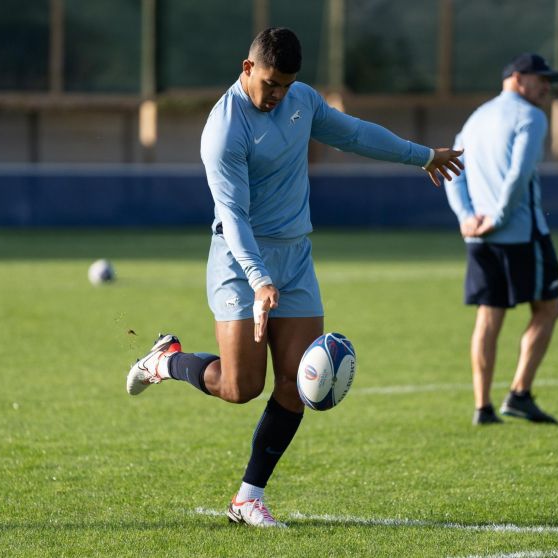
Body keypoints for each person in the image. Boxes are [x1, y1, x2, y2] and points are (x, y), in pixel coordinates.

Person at [125, 27, 463, 528]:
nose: (278, 95)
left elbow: (354, 134)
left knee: (295, 381)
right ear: (248, 68)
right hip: (239, 262)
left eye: (286, 85)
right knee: (241, 386)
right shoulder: (224, 130)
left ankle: (248, 497)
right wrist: (259, 280)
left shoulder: (301, 99)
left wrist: (422, 155)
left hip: (296, 257)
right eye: (271, 84)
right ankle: (166, 361)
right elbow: (233, 217)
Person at [444, 53, 558, 427]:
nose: (547, 87)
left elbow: (453, 169)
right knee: (548, 309)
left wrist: (466, 217)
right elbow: (519, 174)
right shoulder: (531, 116)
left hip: (479, 239)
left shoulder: (476, 118)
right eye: (541, 79)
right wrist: (497, 218)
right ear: (517, 78)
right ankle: (519, 394)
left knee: (488, 316)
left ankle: (482, 407)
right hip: (521, 234)